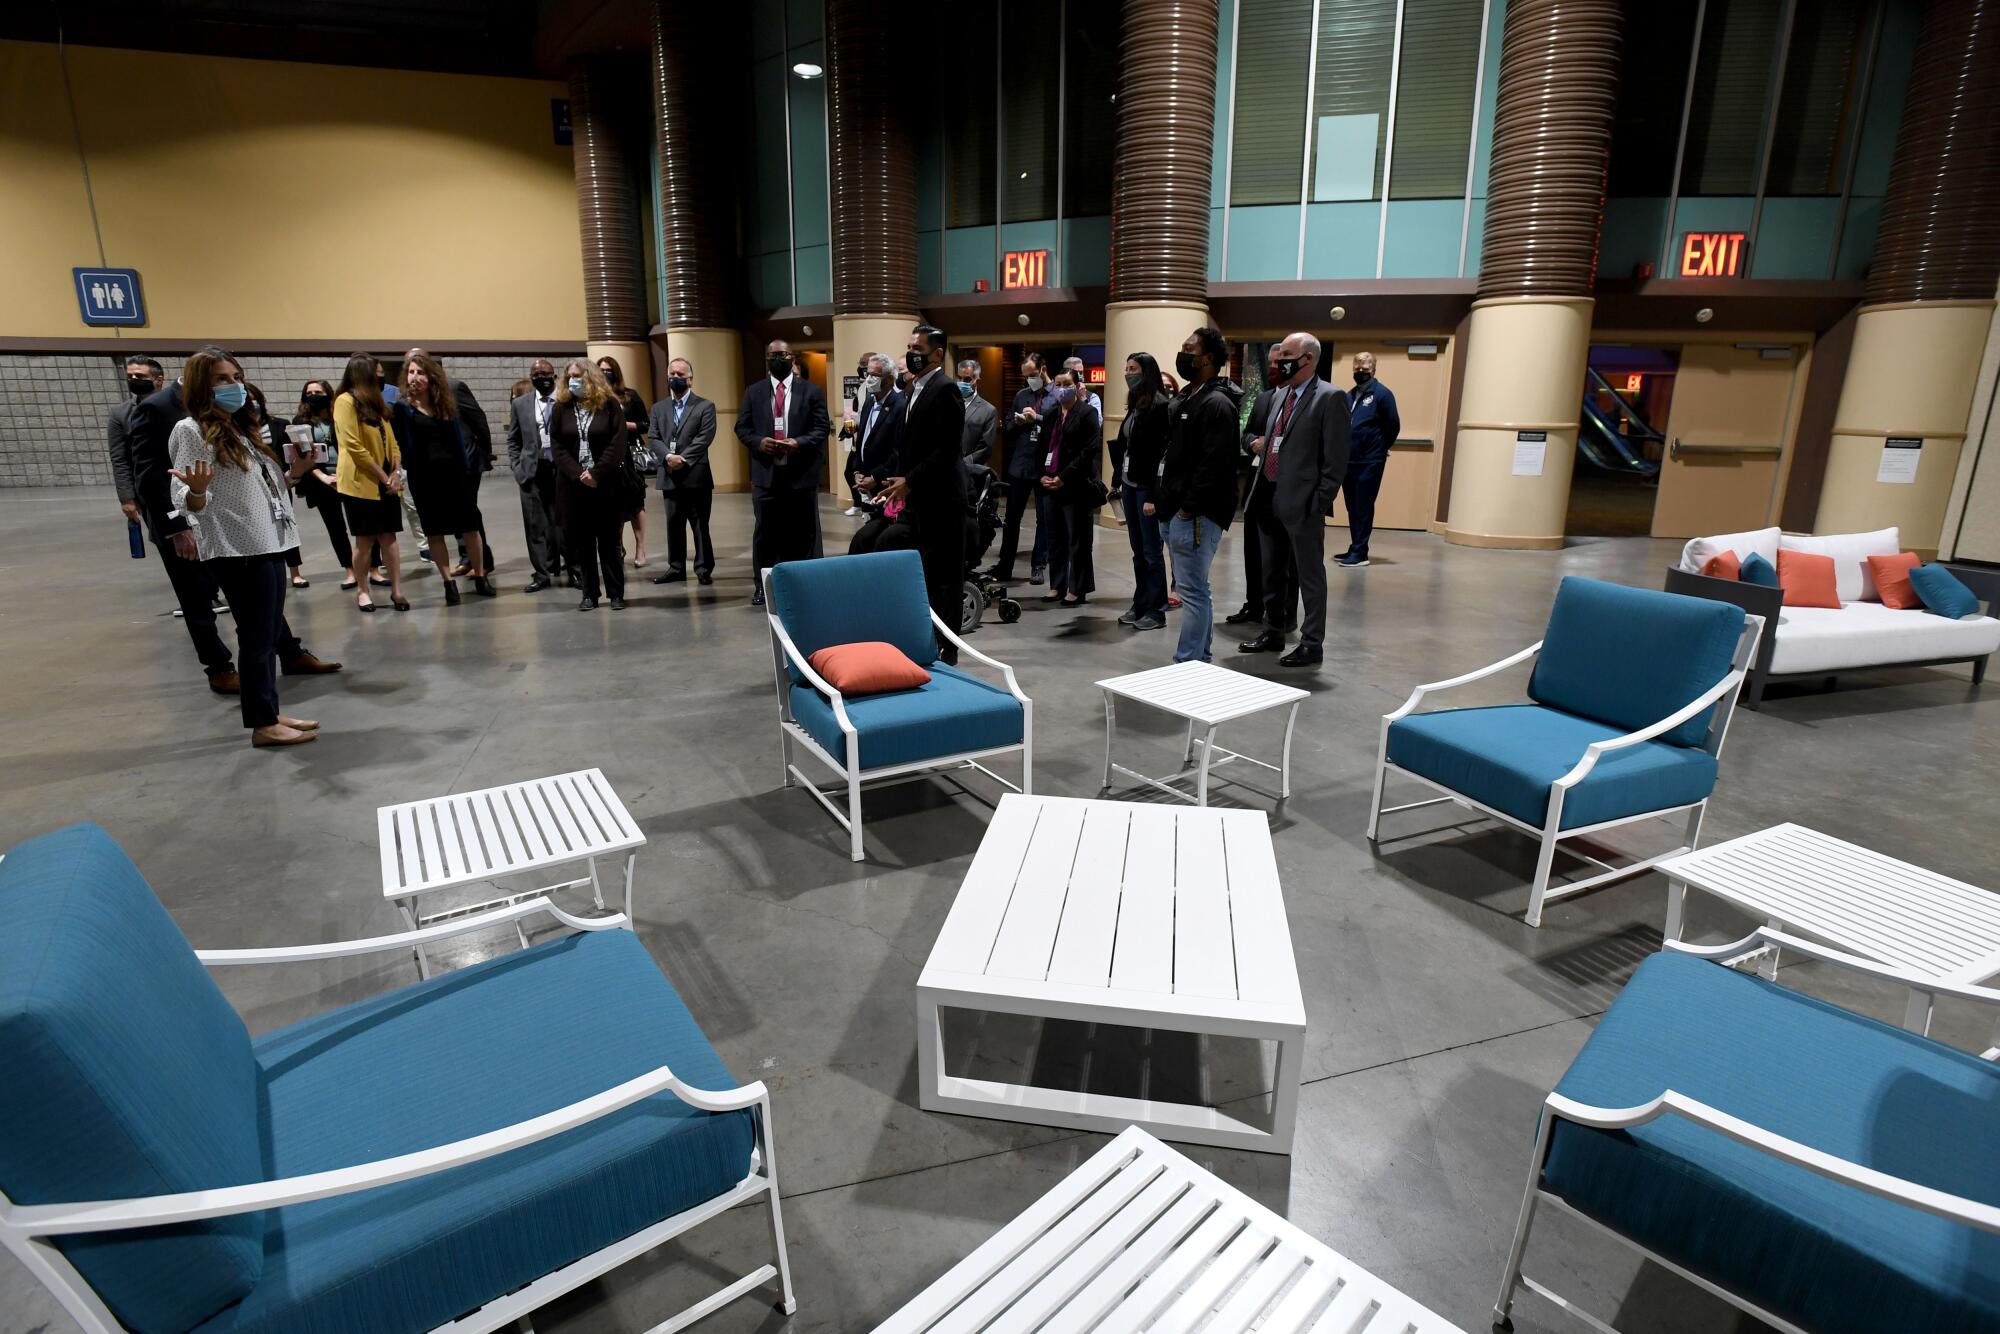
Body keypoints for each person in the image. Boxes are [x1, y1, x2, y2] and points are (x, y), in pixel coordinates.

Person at [166, 348, 328, 748]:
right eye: (222, 379)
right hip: (237, 548)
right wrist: (197, 492)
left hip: (268, 539)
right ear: (201, 385)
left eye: (237, 377)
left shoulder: (239, 430)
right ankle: (262, 724)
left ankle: (269, 712)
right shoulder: (190, 430)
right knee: (256, 637)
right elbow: (184, 495)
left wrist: (295, 474)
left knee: (269, 632)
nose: (234, 386)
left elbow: (260, 491)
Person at [1238, 332, 1349, 668]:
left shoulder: (1330, 397)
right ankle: (1273, 631)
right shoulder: (1278, 397)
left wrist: (1318, 501)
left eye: (1286, 354)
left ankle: (1312, 643)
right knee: (1271, 572)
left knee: (1310, 576)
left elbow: (1336, 461)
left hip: (1303, 504)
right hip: (1268, 495)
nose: (1280, 360)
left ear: (1308, 358)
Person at [1152, 327, 1240, 664]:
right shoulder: (1190, 396)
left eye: (1189, 349)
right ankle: (1198, 657)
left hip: (1197, 513)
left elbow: (1214, 463)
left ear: (1207, 359)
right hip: (1179, 509)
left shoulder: (1216, 403)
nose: (1183, 354)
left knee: (1191, 591)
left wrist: (1188, 510)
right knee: (1194, 589)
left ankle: (1188, 661)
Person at [882, 325, 967, 650]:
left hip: (943, 499)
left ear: (937, 353)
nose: (911, 354)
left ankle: (948, 647)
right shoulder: (913, 389)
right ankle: (927, 637)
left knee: (945, 575)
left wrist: (911, 480)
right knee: (926, 571)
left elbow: (945, 450)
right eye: (909, 347)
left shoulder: (946, 389)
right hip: (921, 498)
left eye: (917, 348)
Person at [393, 352, 493, 604]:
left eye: (420, 372)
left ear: (431, 376)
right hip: (423, 478)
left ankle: (480, 575)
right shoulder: (403, 409)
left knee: (470, 526)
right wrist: (408, 400)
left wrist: (468, 466)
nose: (414, 377)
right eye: (411, 372)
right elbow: (402, 442)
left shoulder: (445, 403)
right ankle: (448, 582)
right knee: (434, 532)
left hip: (455, 474)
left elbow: (458, 440)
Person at [736, 338, 829, 606]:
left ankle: (804, 586)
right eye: (773, 355)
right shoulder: (754, 392)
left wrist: (797, 442)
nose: (778, 359)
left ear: (792, 358)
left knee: (802, 533)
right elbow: (741, 428)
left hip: (800, 476)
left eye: (783, 355)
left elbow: (821, 427)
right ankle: (763, 587)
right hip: (767, 476)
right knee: (765, 534)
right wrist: (758, 442)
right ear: (767, 359)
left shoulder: (810, 391)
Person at [550, 359, 631, 610]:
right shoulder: (561, 408)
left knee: (609, 543)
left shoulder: (609, 406)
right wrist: (578, 473)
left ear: (591, 377)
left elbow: (617, 445)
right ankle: (589, 593)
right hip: (574, 487)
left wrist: (596, 473)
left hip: (605, 485)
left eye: (578, 375)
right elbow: (557, 445)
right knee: (583, 544)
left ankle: (616, 593)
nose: (572, 380)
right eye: (569, 376)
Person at [334, 352, 410, 612]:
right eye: (377, 374)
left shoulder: (377, 403)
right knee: (365, 540)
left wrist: (396, 472)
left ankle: (397, 590)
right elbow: (353, 446)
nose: (381, 378)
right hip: (360, 482)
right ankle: (362, 590)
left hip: (387, 481)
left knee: (389, 537)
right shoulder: (344, 402)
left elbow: (393, 440)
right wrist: (383, 476)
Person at [1227, 346, 1285, 628]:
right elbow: (1247, 432)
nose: (1274, 367)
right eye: (1271, 362)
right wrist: (1252, 442)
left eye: (1279, 362)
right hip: (1256, 482)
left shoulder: (1299, 401)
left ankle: (1283, 615)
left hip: (1284, 485)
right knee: (1253, 547)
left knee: (1283, 557)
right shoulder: (1263, 399)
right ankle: (1253, 604)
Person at [648, 356, 717, 585]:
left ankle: (704, 568)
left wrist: (683, 458)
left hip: (695, 475)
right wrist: (668, 456)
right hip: (669, 474)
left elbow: (704, 437)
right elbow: (654, 437)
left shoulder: (705, 406)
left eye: (680, 374)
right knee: (673, 524)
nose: (675, 378)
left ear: (690, 379)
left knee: (699, 525)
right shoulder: (658, 408)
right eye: (672, 374)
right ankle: (675, 567)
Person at [1038, 368, 1103, 608]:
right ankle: (1057, 585)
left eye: (1066, 383)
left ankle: (1076, 589)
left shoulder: (1087, 414)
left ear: (1076, 385)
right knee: (1055, 539)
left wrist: (1063, 477)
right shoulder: (1051, 414)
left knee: (1078, 540)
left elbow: (1088, 452)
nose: (1061, 388)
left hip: (1075, 485)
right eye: (1058, 383)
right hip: (1050, 484)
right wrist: (1042, 477)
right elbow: (1042, 449)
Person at [1116, 352, 1171, 631]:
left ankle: (1157, 608)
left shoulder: (1160, 406)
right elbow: (1127, 447)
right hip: (1129, 483)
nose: (1128, 373)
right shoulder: (1135, 403)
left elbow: (1160, 455)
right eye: (1126, 368)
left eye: (1134, 368)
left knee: (1152, 552)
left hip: (1146, 489)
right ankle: (1140, 601)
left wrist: (1152, 496)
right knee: (1138, 551)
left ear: (1147, 372)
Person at [989, 352, 1054, 583]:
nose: (1029, 380)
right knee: (1012, 518)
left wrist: (1036, 418)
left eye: (1033, 375)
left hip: (1045, 465)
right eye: (1026, 376)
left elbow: (1060, 427)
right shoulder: (1021, 395)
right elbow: (1007, 425)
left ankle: (1039, 565)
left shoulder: (1056, 395)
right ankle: (1005, 565)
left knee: (1043, 519)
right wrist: (1017, 422)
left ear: (1043, 369)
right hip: (1021, 463)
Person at [507, 360, 567, 591]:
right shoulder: (521, 404)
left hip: (561, 470)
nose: (541, 377)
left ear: (554, 375)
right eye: (536, 374)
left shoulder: (566, 400)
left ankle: (574, 569)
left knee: (564, 523)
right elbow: (513, 439)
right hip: (532, 470)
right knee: (535, 526)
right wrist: (517, 466)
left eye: (545, 373)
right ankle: (541, 574)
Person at [1337, 350, 1400, 569]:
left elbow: (1393, 426)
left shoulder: (1382, 394)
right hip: (1349, 461)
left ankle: (1361, 552)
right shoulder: (1349, 395)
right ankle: (1355, 545)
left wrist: (1378, 449)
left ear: (1373, 370)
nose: (1361, 372)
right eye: (1357, 369)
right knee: (1352, 506)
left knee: (1363, 506)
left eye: (1365, 369)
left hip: (1369, 461)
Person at [291, 379, 355, 588]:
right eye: (309, 392)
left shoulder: (340, 415)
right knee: (336, 528)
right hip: (322, 481)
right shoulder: (301, 421)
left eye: (318, 391)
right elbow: (303, 455)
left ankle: (373, 568)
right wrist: (324, 477)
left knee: (361, 525)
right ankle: (350, 570)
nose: (314, 395)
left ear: (328, 393)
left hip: (349, 476)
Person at [243, 383, 306, 588]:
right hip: (253, 486)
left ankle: (295, 571)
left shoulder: (279, 424)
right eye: (247, 399)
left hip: (279, 483)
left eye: (255, 399)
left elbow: (290, 452)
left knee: (286, 523)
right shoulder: (240, 430)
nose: (252, 403)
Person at [597, 354, 650, 568]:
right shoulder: (594, 397)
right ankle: (617, 546)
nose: (604, 374)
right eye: (600, 370)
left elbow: (645, 424)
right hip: (607, 457)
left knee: (636, 503)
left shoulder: (629, 396)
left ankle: (640, 547)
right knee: (613, 505)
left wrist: (625, 425)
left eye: (608, 370)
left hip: (630, 456)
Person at [108, 355, 162, 531]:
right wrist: (126, 498)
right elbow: (119, 459)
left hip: (184, 486)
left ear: (158, 380)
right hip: (147, 492)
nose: (133, 380)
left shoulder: (180, 406)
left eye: (139, 376)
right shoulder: (120, 414)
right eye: (130, 376)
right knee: (165, 543)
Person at [840, 352, 870, 515]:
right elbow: (858, 412)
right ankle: (859, 504)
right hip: (857, 441)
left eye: (865, 364)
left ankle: (867, 506)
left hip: (870, 442)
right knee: (850, 472)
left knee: (866, 475)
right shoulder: (862, 388)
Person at [957, 359, 997, 464]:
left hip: (970, 471)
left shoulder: (988, 410)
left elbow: (986, 449)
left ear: (977, 381)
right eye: (959, 378)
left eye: (967, 379)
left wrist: (962, 465)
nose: (961, 382)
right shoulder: (948, 404)